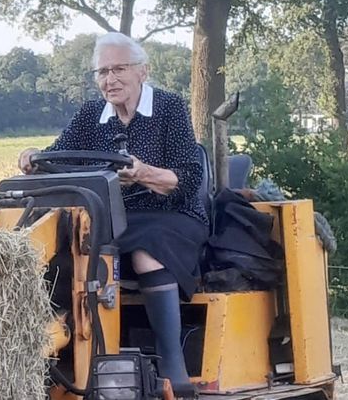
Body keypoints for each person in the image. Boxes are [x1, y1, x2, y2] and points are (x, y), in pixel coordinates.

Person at [18, 32, 207, 399]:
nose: (110, 79)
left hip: (171, 213)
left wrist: (142, 172)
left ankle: (171, 363)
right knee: (72, 244)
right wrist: (33, 156)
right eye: (102, 72)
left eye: (119, 69)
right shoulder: (92, 115)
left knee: (147, 249)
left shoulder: (169, 108)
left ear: (142, 72)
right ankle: (71, 360)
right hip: (110, 216)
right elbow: (59, 157)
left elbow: (186, 179)